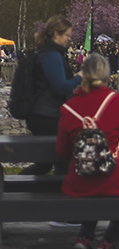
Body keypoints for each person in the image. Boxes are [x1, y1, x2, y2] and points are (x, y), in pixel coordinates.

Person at [56, 52, 119, 249]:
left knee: (94, 181)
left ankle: (85, 235)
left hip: (81, 179)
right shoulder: (116, 101)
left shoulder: (68, 108)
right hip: (115, 177)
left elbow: (62, 150)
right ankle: (110, 240)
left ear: (82, 74)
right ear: (107, 76)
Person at [22, 16, 82, 176]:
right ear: (56, 34)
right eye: (67, 35)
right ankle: (62, 197)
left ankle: (16, 189)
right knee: (64, 163)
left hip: (39, 115)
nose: (69, 39)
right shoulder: (52, 56)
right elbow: (60, 87)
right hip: (49, 117)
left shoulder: (43, 53)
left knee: (44, 165)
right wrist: (79, 77)